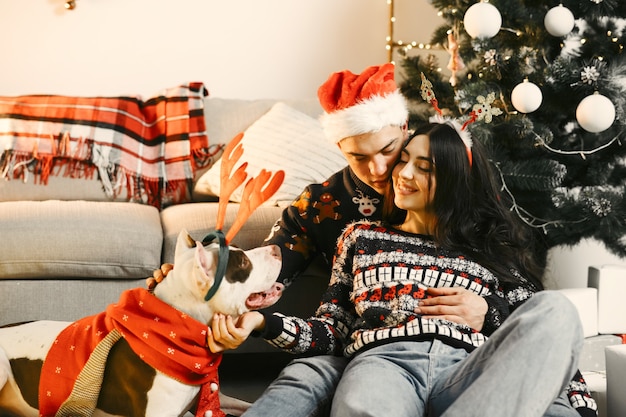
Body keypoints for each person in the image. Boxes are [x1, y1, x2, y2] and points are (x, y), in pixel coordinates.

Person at [241, 121, 597, 417]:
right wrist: (264, 323)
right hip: (386, 365)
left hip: (470, 373)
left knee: (558, 309)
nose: (403, 173)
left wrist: (489, 312)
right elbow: (333, 329)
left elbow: (544, 341)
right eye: (405, 160)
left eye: (424, 168)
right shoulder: (361, 238)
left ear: (455, 183)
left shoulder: (490, 249)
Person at [150, 63, 410, 416]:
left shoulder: (444, 186)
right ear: (339, 147)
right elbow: (272, 261)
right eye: (358, 157)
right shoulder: (323, 203)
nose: (377, 169)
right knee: (300, 382)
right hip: (340, 341)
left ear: (405, 128)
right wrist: (197, 280)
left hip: (412, 351)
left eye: (388, 150)